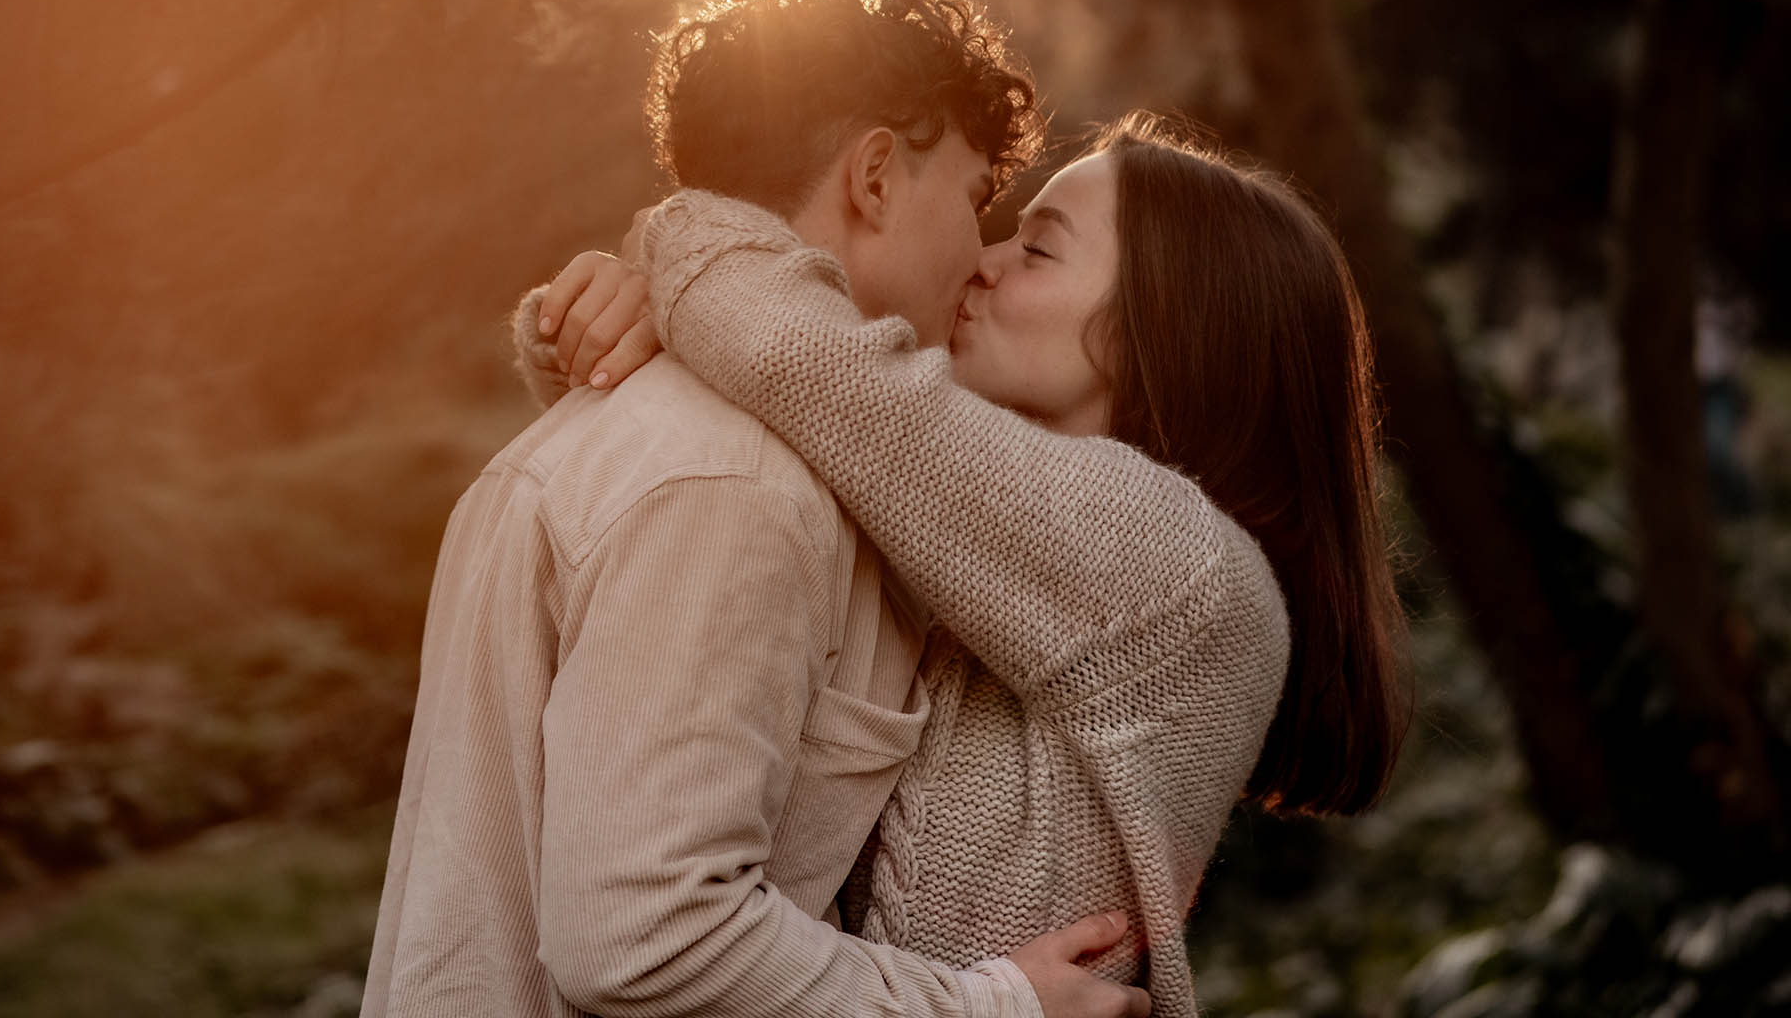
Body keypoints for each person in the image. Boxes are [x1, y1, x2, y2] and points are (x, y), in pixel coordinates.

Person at [364, 0, 1151, 1018]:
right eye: (972, 201)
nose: (979, 253)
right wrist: (992, 1007)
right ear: (875, 177)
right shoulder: (739, 488)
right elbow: (646, 936)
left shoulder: (653, 431)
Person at [519, 112, 1412, 1018]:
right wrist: (609, 335)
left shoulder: (1186, 569)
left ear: (1169, 326)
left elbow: (800, 359)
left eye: (1039, 250)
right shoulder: (972, 544)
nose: (982, 261)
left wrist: (685, 238)